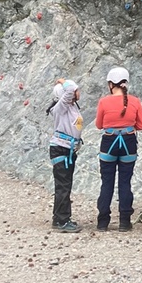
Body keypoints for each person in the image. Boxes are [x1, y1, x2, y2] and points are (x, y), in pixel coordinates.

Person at [95, 67, 142, 231]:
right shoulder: (135, 101)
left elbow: (99, 125)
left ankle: (103, 222)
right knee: (125, 182)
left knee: (106, 183)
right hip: (128, 143)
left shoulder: (104, 101)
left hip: (109, 143)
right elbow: (141, 125)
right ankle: (125, 221)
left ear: (111, 84)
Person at [48, 79, 83, 233]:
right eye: (76, 90)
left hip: (68, 149)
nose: (77, 91)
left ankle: (59, 217)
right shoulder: (60, 108)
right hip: (61, 150)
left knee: (65, 185)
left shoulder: (71, 106)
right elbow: (69, 90)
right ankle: (62, 220)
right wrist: (65, 81)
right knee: (63, 185)